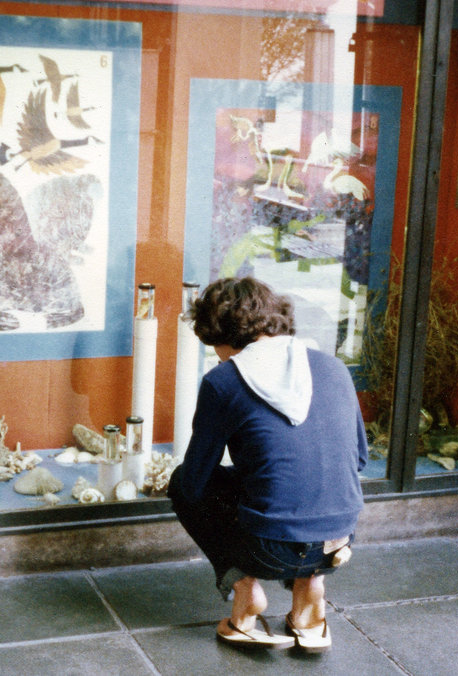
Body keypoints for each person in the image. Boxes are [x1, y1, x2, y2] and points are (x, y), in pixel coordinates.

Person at [167, 276, 367, 653]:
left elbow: (194, 483)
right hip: (339, 538)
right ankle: (310, 597)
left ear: (220, 335)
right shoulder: (333, 367)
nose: (218, 356)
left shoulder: (223, 380)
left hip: (268, 550)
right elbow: (358, 458)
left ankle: (245, 594)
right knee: (294, 490)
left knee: (181, 484)